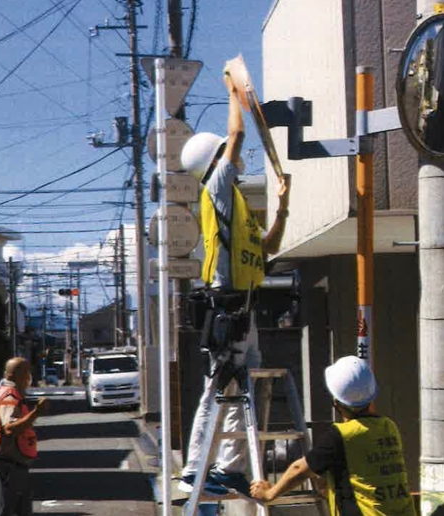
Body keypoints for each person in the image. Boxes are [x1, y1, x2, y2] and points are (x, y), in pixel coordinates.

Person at [177, 58, 291, 496]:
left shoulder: (237, 206)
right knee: (220, 384)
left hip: (242, 305)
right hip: (227, 303)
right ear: (216, 158)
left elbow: (269, 248)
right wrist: (232, 90)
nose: (236, 154)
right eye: (227, 152)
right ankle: (200, 466)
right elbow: (238, 134)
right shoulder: (217, 187)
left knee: (239, 383)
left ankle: (228, 465)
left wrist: (282, 206)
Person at [250, 356, 416, 516]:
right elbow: (367, 474)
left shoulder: (341, 436)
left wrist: (269, 493)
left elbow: (299, 469)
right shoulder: (389, 427)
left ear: (336, 402)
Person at [0, 357, 49, 516]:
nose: (29, 377)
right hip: (6, 465)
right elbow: (9, 428)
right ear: (20, 375)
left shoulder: (10, 393)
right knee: (6, 511)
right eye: (28, 373)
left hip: (12, 464)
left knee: (21, 510)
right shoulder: (9, 397)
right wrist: (36, 412)